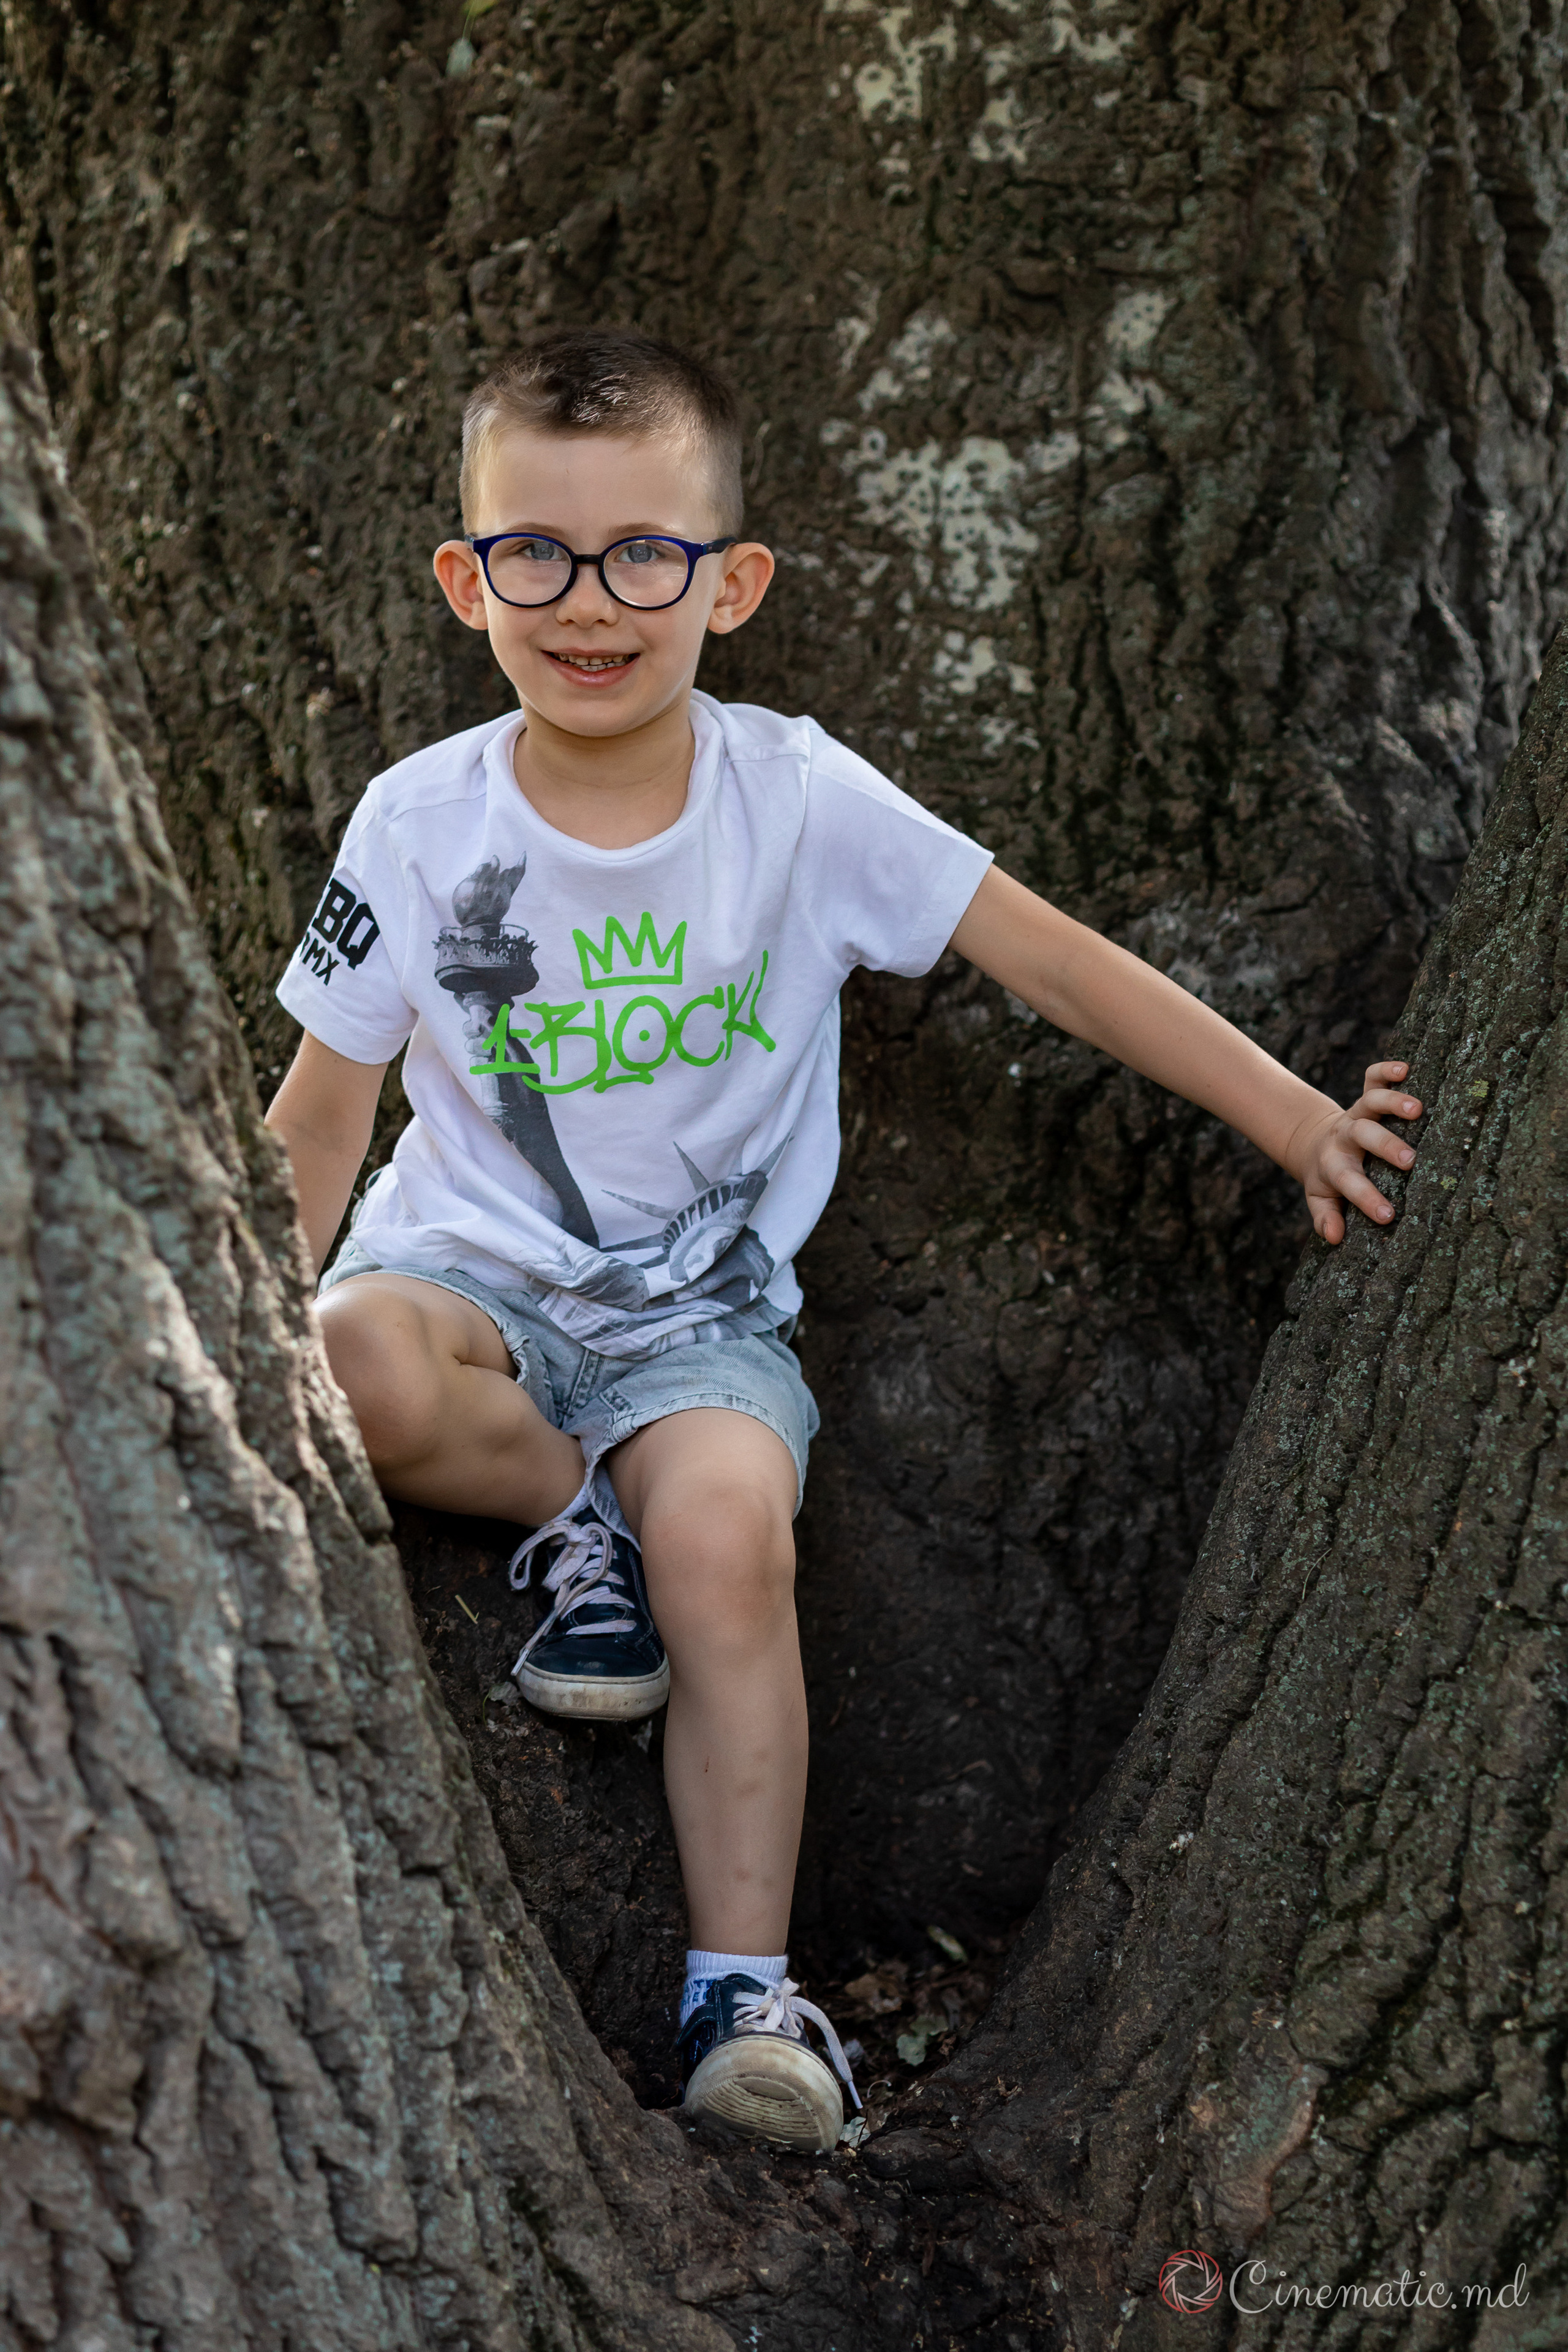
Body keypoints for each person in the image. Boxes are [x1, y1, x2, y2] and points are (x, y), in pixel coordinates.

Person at [265, 327, 1422, 2153]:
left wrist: (1295, 1117)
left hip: (699, 1325)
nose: (592, 601)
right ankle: (575, 1510)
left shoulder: (796, 799)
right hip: (465, 1288)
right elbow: (323, 1122)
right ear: (462, 576)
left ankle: (744, 1995)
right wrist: (218, 1361)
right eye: (536, 555)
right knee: (351, 1363)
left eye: (646, 553)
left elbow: (1049, 954)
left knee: (726, 1531)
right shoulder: (420, 824)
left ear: (732, 582)